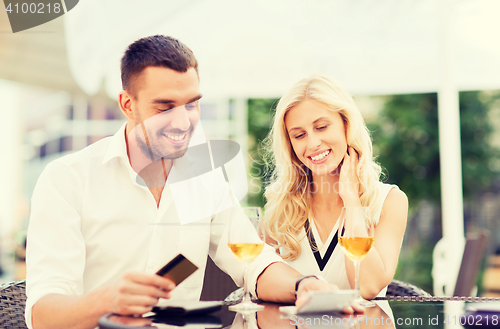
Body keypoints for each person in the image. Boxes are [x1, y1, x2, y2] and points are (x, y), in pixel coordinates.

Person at [25, 36, 359, 329]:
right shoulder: (67, 180)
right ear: (128, 104)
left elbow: (253, 262)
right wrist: (107, 299)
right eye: (165, 106)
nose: (183, 121)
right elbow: (43, 316)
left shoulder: (203, 176)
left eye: (192, 104)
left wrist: (305, 286)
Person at [263, 74, 408, 300]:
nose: (312, 144)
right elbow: (262, 286)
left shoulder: (389, 201)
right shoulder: (280, 206)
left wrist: (351, 199)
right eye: (299, 135)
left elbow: (368, 287)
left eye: (321, 127)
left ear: (346, 125)